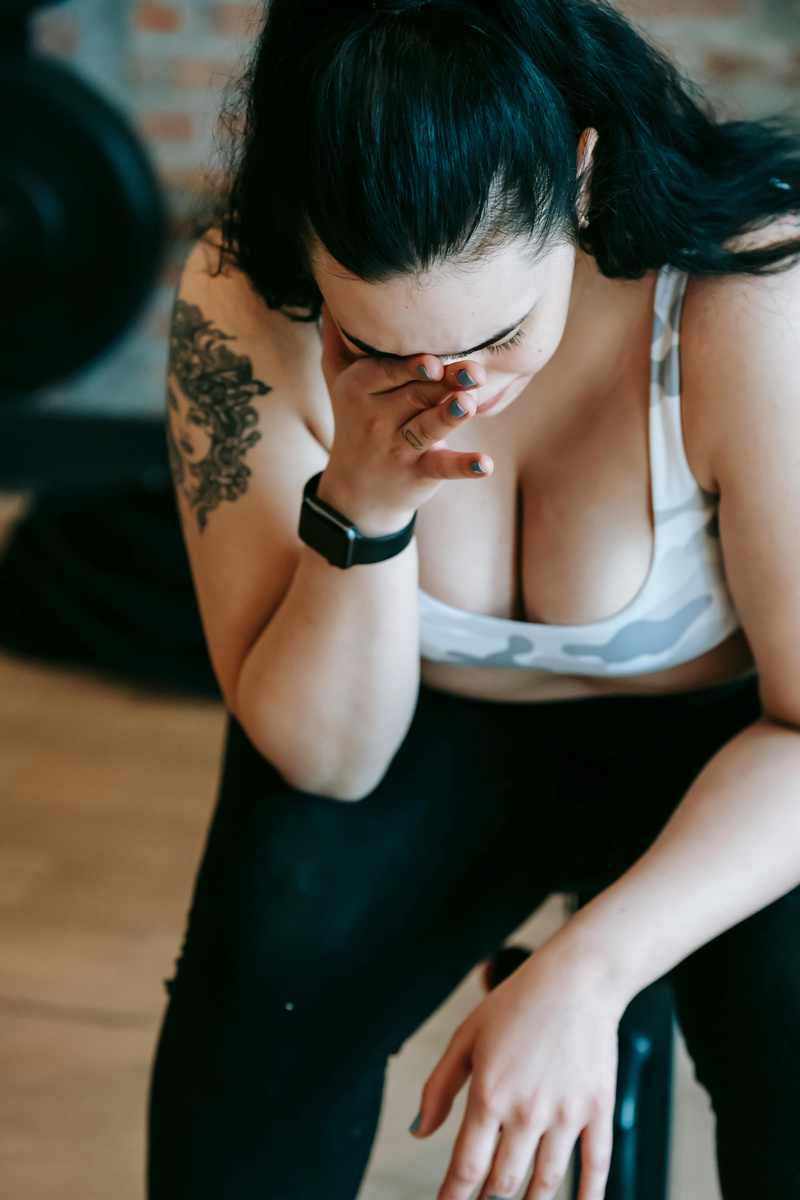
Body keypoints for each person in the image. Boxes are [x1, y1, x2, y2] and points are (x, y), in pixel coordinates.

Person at [148, 0, 800, 1197]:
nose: (456, 388)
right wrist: (362, 503)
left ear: (579, 177)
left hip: (729, 745)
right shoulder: (243, 299)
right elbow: (326, 762)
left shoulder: (746, 294)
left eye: (499, 332)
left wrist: (587, 973)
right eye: (379, 346)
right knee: (260, 1000)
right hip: (419, 729)